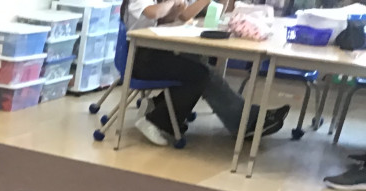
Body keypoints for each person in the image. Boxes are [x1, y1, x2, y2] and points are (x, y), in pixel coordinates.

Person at [124, 0, 290, 146]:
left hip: (157, 51)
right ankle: (155, 122)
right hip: (140, 58)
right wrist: (172, 3)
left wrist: (177, 9)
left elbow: (179, 17)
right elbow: (152, 12)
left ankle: (157, 105)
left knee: (201, 67)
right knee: (199, 74)